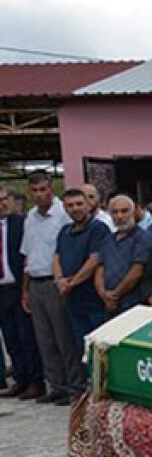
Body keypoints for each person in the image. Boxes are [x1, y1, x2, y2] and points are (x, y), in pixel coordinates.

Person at [21, 172, 77, 404]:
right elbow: (27, 255)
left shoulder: (63, 215)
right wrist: (25, 290)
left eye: (43, 189)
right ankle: (56, 385)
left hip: (56, 281)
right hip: (35, 282)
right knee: (44, 338)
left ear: (51, 189)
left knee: (63, 336)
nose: (39, 195)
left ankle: (74, 386)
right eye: (35, 191)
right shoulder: (30, 217)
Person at [54, 190, 109, 390]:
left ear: (88, 205)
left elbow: (95, 260)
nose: (75, 208)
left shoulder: (98, 229)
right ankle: (89, 386)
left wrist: (71, 283)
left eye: (79, 203)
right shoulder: (64, 231)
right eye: (70, 205)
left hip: (92, 298)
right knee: (80, 345)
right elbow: (57, 257)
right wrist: (59, 280)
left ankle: (102, 388)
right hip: (72, 300)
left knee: (98, 345)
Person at [0, 186, 43, 400]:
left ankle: (36, 381)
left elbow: (27, 254)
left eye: (4, 199)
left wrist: (25, 288)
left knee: (26, 335)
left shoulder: (21, 223)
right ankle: (20, 378)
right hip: (1, 290)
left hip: (18, 287)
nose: (2, 204)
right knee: (10, 337)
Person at [94, 195, 152, 318]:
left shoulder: (143, 238)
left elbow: (137, 271)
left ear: (133, 212)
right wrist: (103, 293)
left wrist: (115, 295)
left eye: (124, 211)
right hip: (109, 304)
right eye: (115, 212)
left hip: (134, 303)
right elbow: (100, 268)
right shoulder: (107, 240)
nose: (120, 216)